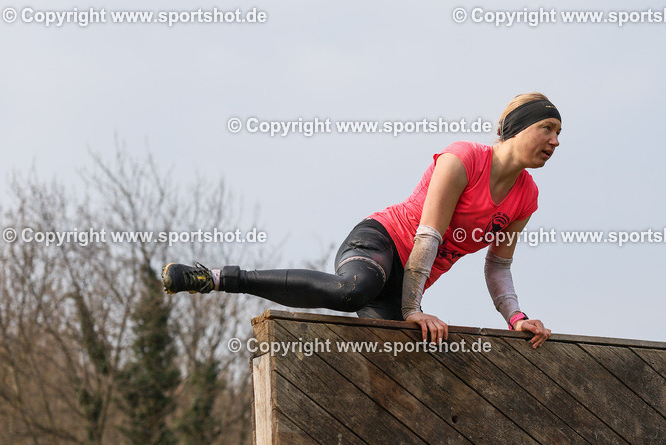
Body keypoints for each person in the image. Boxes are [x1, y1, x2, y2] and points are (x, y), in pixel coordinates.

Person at [162, 92, 560, 349]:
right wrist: (412, 309)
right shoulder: (464, 158)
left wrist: (517, 319)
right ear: (517, 128)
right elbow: (428, 237)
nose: (555, 141)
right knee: (353, 289)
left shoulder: (527, 197)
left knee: (395, 360)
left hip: (406, 282)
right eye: (547, 128)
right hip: (382, 242)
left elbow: (499, 266)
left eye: (559, 133)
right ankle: (218, 278)